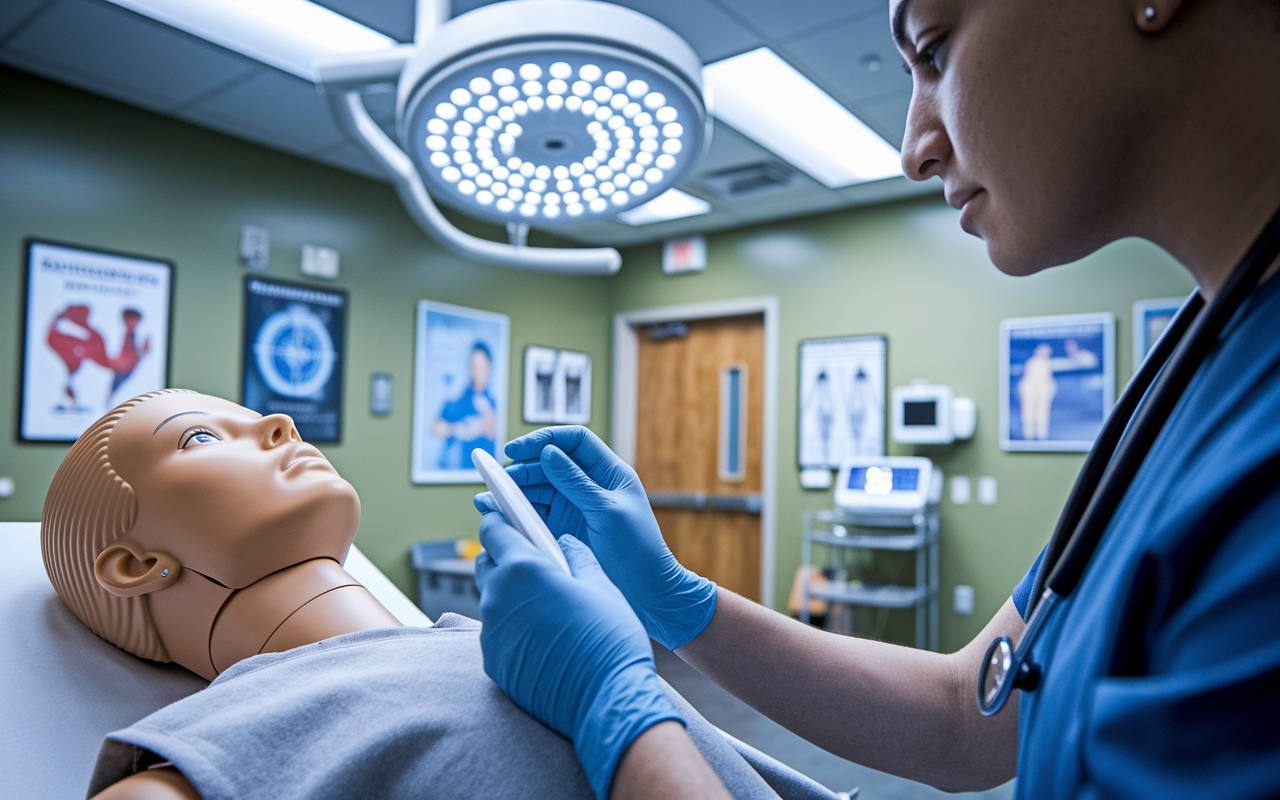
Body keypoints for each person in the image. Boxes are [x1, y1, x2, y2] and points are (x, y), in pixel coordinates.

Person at [472, 2, 1280, 798]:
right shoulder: (1198, 360)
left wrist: (614, 709)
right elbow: (969, 715)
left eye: (934, 49)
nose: (913, 150)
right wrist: (673, 598)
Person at [43, 389, 835, 800]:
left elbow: (947, 726)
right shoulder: (224, 743)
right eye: (202, 437)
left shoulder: (497, 643)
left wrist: (672, 601)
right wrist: (614, 701)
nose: (280, 424)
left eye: (259, 417)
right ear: (133, 566)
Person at [432, 342, 498, 469]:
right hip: (459, 466)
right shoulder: (459, 400)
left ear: (489, 368)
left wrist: (482, 423)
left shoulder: (493, 403)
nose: (477, 372)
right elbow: (435, 429)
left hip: (486, 470)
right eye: (474, 366)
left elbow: (494, 431)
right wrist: (457, 429)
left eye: (482, 367)